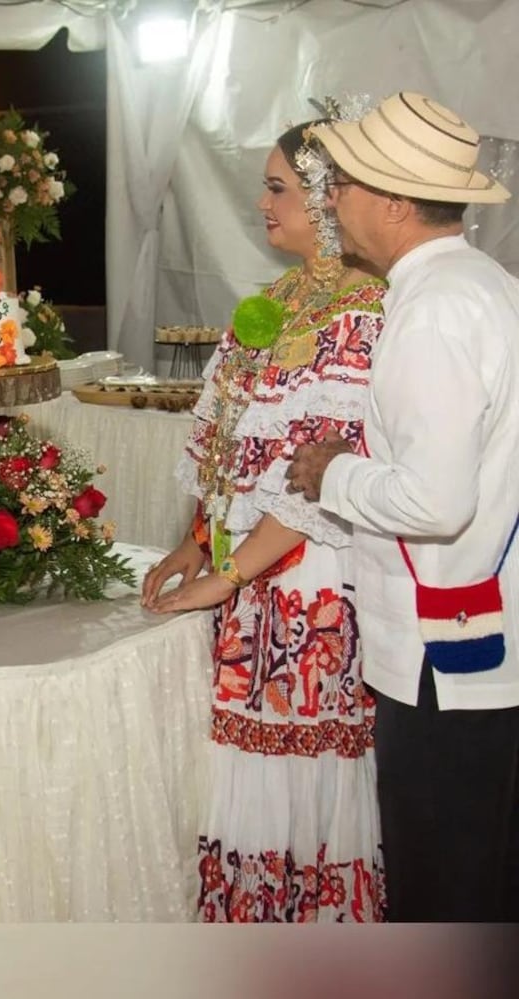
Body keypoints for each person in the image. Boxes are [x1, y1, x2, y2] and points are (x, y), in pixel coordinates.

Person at [141, 119, 387, 921]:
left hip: (312, 582)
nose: (262, 202)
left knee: (301, 772)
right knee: (245, 773)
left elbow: (320, 484)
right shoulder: (266, 308)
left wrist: (226, 574)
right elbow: (219, 443)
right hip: (245, 577)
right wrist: (192, 542)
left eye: (279, 186)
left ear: (327, 199)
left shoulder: (363, 314)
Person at [286, 92, 519, 922]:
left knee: (441, 891)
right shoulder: (480, 281)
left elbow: (437, 498)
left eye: (340, 185)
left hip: (445, 659)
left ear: (391, 201)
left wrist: (334, 472)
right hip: (475, 645)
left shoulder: (434, 310)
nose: (328, 202)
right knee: (485, 883)